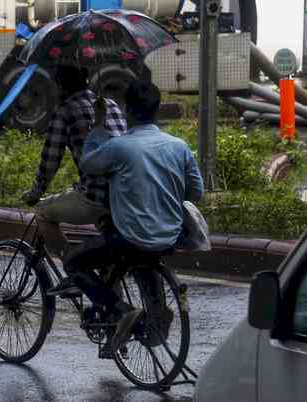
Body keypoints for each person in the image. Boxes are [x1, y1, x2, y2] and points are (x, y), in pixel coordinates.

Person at [64, 81, 204, 352]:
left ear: (127, 110)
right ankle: (152, 316)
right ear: (156, 109)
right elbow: (195, 192)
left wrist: (98, 126)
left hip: (130, 238)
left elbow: (88, 165)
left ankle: (120, 310)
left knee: (73, 263)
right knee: (137, 257)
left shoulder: (120, 147)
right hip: (170, 236)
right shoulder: (179, 146)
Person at [22, 65, 127, 271]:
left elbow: (50, 161)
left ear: (60, 86)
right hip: (125, 191)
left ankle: (74, 271)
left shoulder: (65, 112)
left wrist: (36, 192)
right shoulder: (112, 105)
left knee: (43, 212)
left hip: (96, 196)